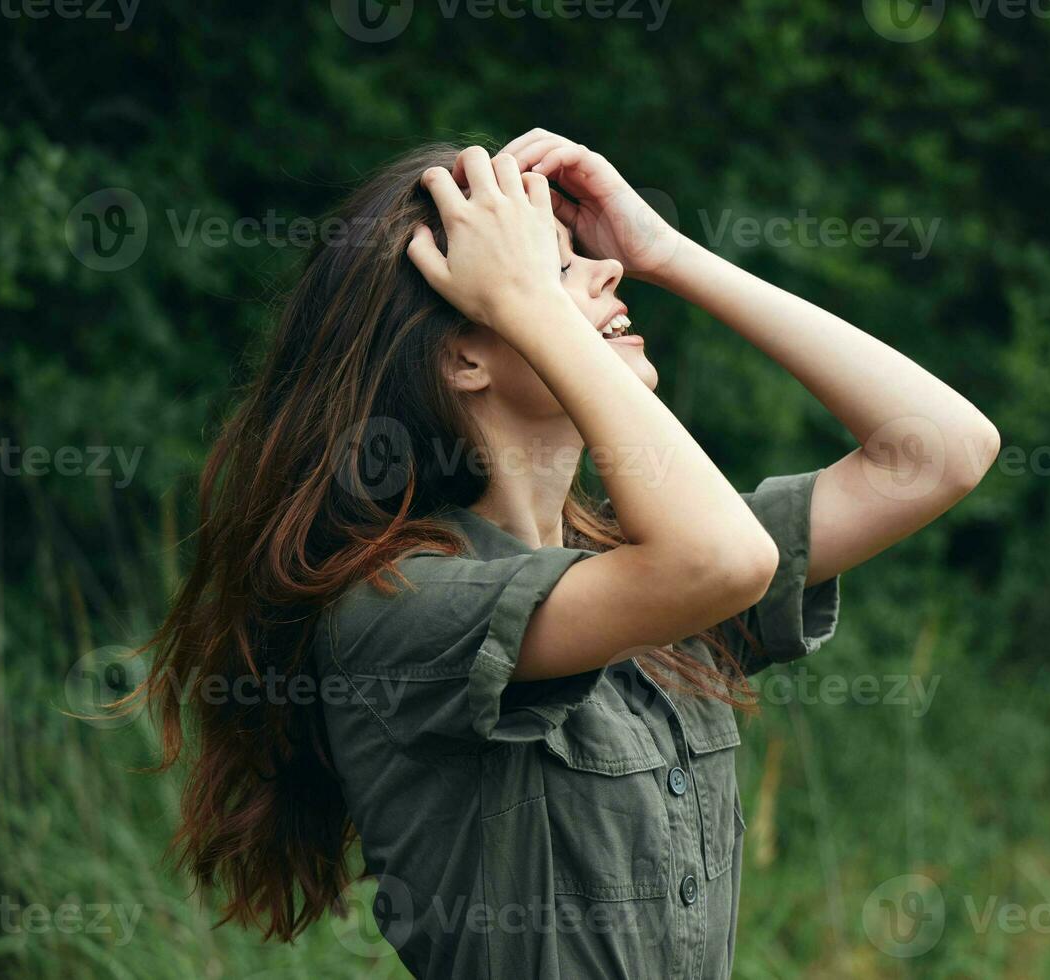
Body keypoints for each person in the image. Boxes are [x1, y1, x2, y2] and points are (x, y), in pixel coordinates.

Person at [141, 129, 999, 979]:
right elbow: (722, 562)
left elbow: (942, 450)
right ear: (465, 357)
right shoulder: (396, 609)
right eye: (552, 271)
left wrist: (667, 252)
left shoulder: (641, 566)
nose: (604, 271)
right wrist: (538, 307)